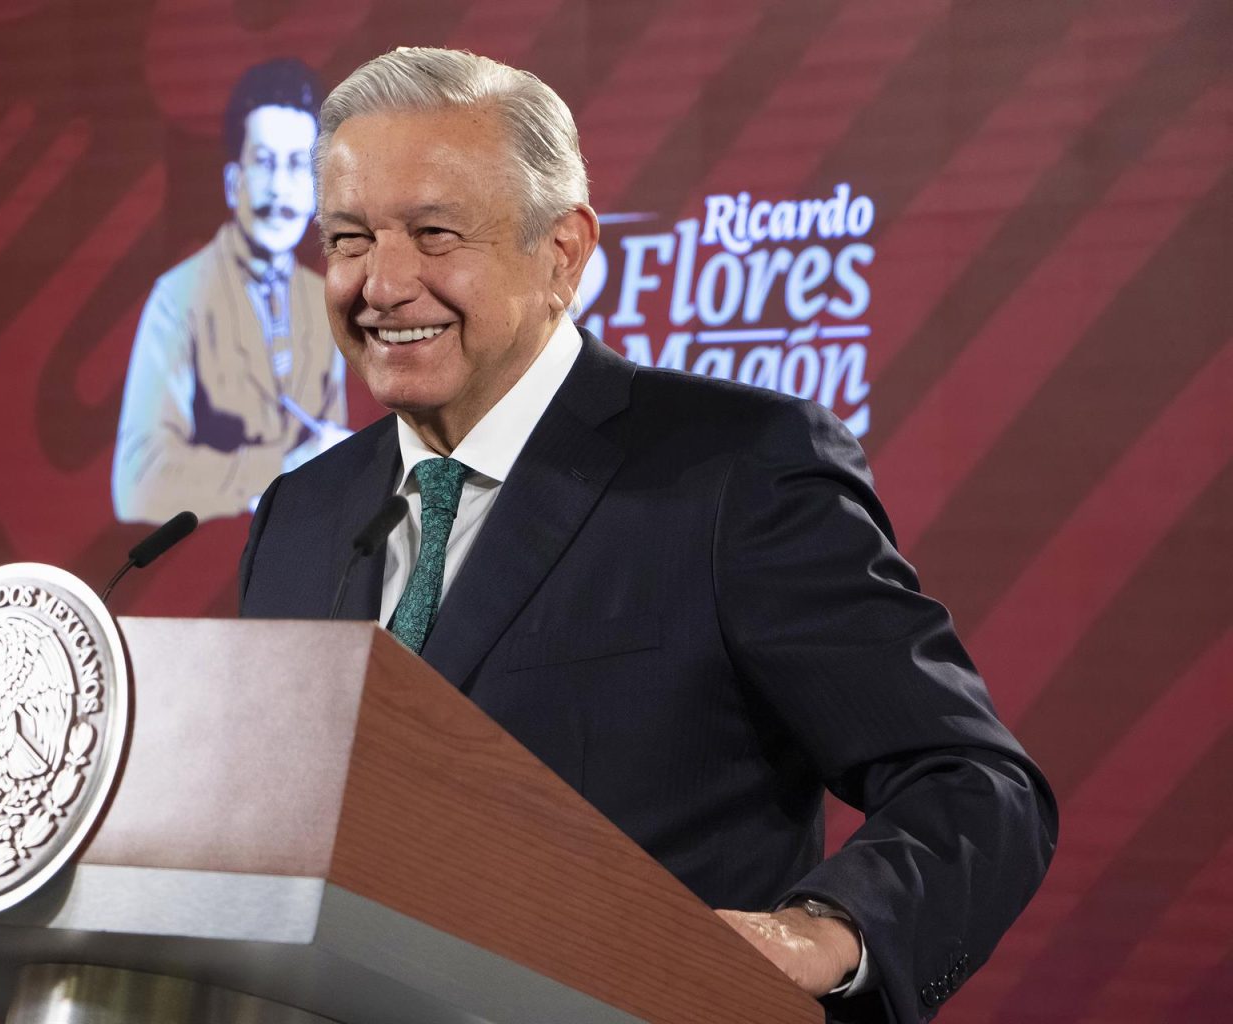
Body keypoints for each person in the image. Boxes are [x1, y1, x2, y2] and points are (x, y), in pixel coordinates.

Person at [239, 47, 1056, 1023]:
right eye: (350, 239)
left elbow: (972, 781)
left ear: (565, 252)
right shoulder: (301, 513)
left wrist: (823, 933)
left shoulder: (737, 472)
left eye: (434, 233)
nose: (382, 283)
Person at [113, 58, 350, 525]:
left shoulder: (326, 299)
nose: (280, 191)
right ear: (232, 183)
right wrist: (278, 471)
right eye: (263, 164)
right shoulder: (178, 296)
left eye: (296, 167)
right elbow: (135, 484)